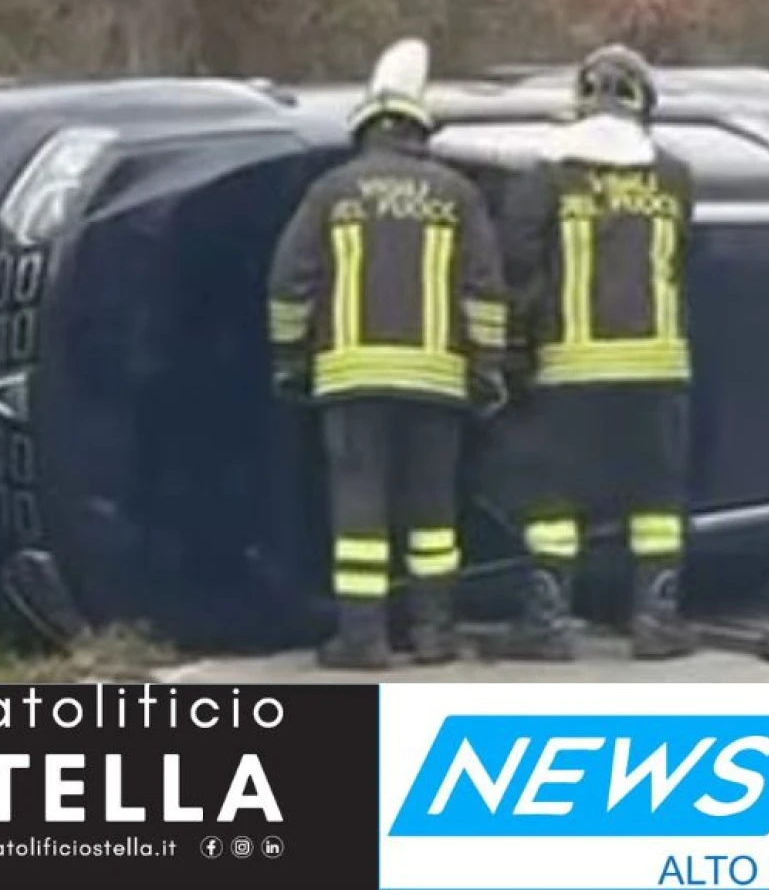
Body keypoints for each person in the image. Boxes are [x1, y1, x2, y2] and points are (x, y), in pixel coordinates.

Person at [266, 38, 509, 670]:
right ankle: (434, 634)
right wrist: (486, 369)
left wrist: (292, 359)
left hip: (351, 383)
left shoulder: (330, 192)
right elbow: (485, 290)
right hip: (437, 384)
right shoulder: (456, 195)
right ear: (421, 130)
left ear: (365, 129)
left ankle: (363, 639)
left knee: (359, 516)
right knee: (433, 516)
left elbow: (290, 282)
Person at [492, 43, 700, 661]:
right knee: (656, 499)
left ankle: (546, 623)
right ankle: (656, 620)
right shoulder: (674, 177)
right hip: (659, 367)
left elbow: (515, 266)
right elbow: (684, 263)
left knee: (553, 500)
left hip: (570, 369)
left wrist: (512, 352)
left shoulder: (547, 177)